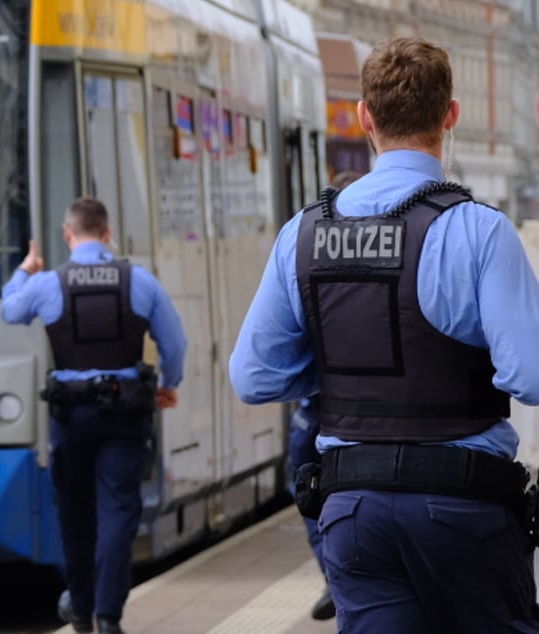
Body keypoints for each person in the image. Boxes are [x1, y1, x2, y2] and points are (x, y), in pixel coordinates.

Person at [230, 36, 539, 633]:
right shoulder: (478, 231)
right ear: (450, 115)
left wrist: (336, 357)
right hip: (464, 510)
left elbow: (253, 376)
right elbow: (530, 376)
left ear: (364, 117)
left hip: (351, 515)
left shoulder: (303, 233)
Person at [2, 197, 187, 634]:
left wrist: (24, 271)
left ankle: (81, 609)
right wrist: (168, 385)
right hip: (126, 414)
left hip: (72, 416)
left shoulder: (49, 283)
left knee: (74, 512)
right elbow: (175, 344)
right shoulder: (139, 280)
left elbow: (10, 311)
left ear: (68, 235)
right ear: (107, 234)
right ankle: (108, 615)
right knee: (119, 512)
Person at [285, 171, 363, 623]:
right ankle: (338, 577)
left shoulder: (304, 245)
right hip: (371, 420)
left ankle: (336, 576)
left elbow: (257, 373)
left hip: (317, 413)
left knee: (311, 497)